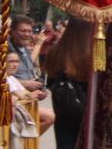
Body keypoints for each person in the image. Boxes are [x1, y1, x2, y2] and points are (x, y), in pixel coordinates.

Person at [44, 17, 91, 149]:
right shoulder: (92, 53)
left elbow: (50, 81)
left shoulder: (56, 51)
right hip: (84, 109)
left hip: (63, 110)